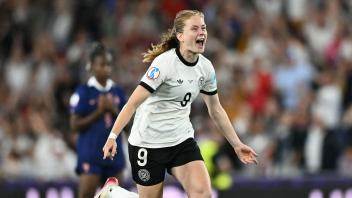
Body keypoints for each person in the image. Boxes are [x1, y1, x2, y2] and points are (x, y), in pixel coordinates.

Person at [103, 10, 258, 198]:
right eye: (194, 28)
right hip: (148, 143)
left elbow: (216, 109)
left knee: (203, 194)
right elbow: (132, 104)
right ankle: (113, 193)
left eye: (203, 28)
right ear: (181, 36)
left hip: (180, 141)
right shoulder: (164, 64)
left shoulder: (206, 68)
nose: (201, 32)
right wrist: (113, 136)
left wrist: (236, 144)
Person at [69, 43, 127, 198]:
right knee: (86, 195)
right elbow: (74, 125)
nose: (106, 68)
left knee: (116, 197)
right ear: (92, 66)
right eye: (102, 64)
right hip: (91, 155)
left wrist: (113, 110)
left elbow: (130, 126)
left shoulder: (118, 92)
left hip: (114, 157)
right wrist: (98, 112)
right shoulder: (83, 92)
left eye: (109, 64)